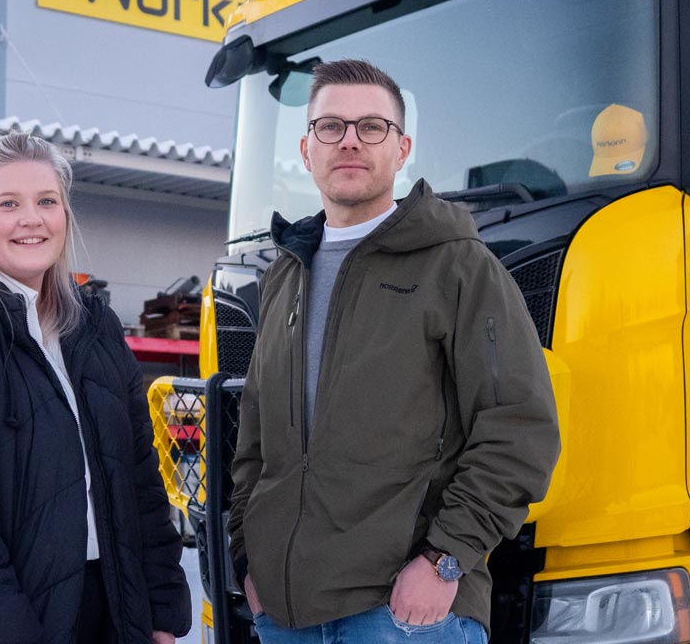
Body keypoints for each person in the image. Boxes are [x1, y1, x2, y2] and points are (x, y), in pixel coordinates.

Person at [228, 59, 560, 643]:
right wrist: (246, 560)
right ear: (307, 150)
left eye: (371, 127)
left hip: (407, 616)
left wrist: (445, 560)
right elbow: (255, 442)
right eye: (331, 126)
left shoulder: (458, 266)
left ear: (402, 148)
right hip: (285, 616)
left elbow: (518, 430)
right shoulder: (286, 274)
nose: (350, 140)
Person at [0, 133, 191, 644]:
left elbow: (138, 478)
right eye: (9, 203)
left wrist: (159, 609)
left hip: (109, 607)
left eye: (47, 201)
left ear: (65, 216)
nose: (32, 218)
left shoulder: (94, 326)